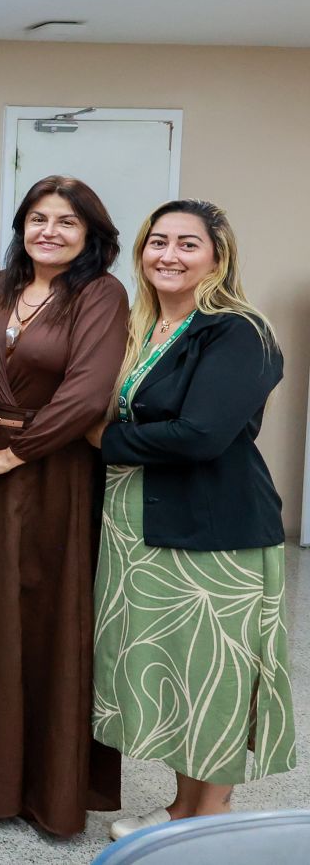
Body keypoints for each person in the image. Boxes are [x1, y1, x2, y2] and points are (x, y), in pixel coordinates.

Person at [89, 200, 296, 840]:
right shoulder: (144, 326)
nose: (169, 255)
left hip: (216, 531)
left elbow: (201, 434)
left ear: (218, 256)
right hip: (145, 526)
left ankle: (211, 818)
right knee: (181, 672)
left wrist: (103, 439)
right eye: (158, 241)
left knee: (216, 673)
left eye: (187, 243)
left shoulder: (238, 332)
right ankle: (184, 809)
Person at [0, 175, 128, 836]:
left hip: (54, 470)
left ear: (90, 234)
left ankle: (50, 789)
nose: (48, 231)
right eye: (37, 218)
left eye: (65, 221)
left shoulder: (100, 293)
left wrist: (17, 453)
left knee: (50, 622)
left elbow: (88, 393)